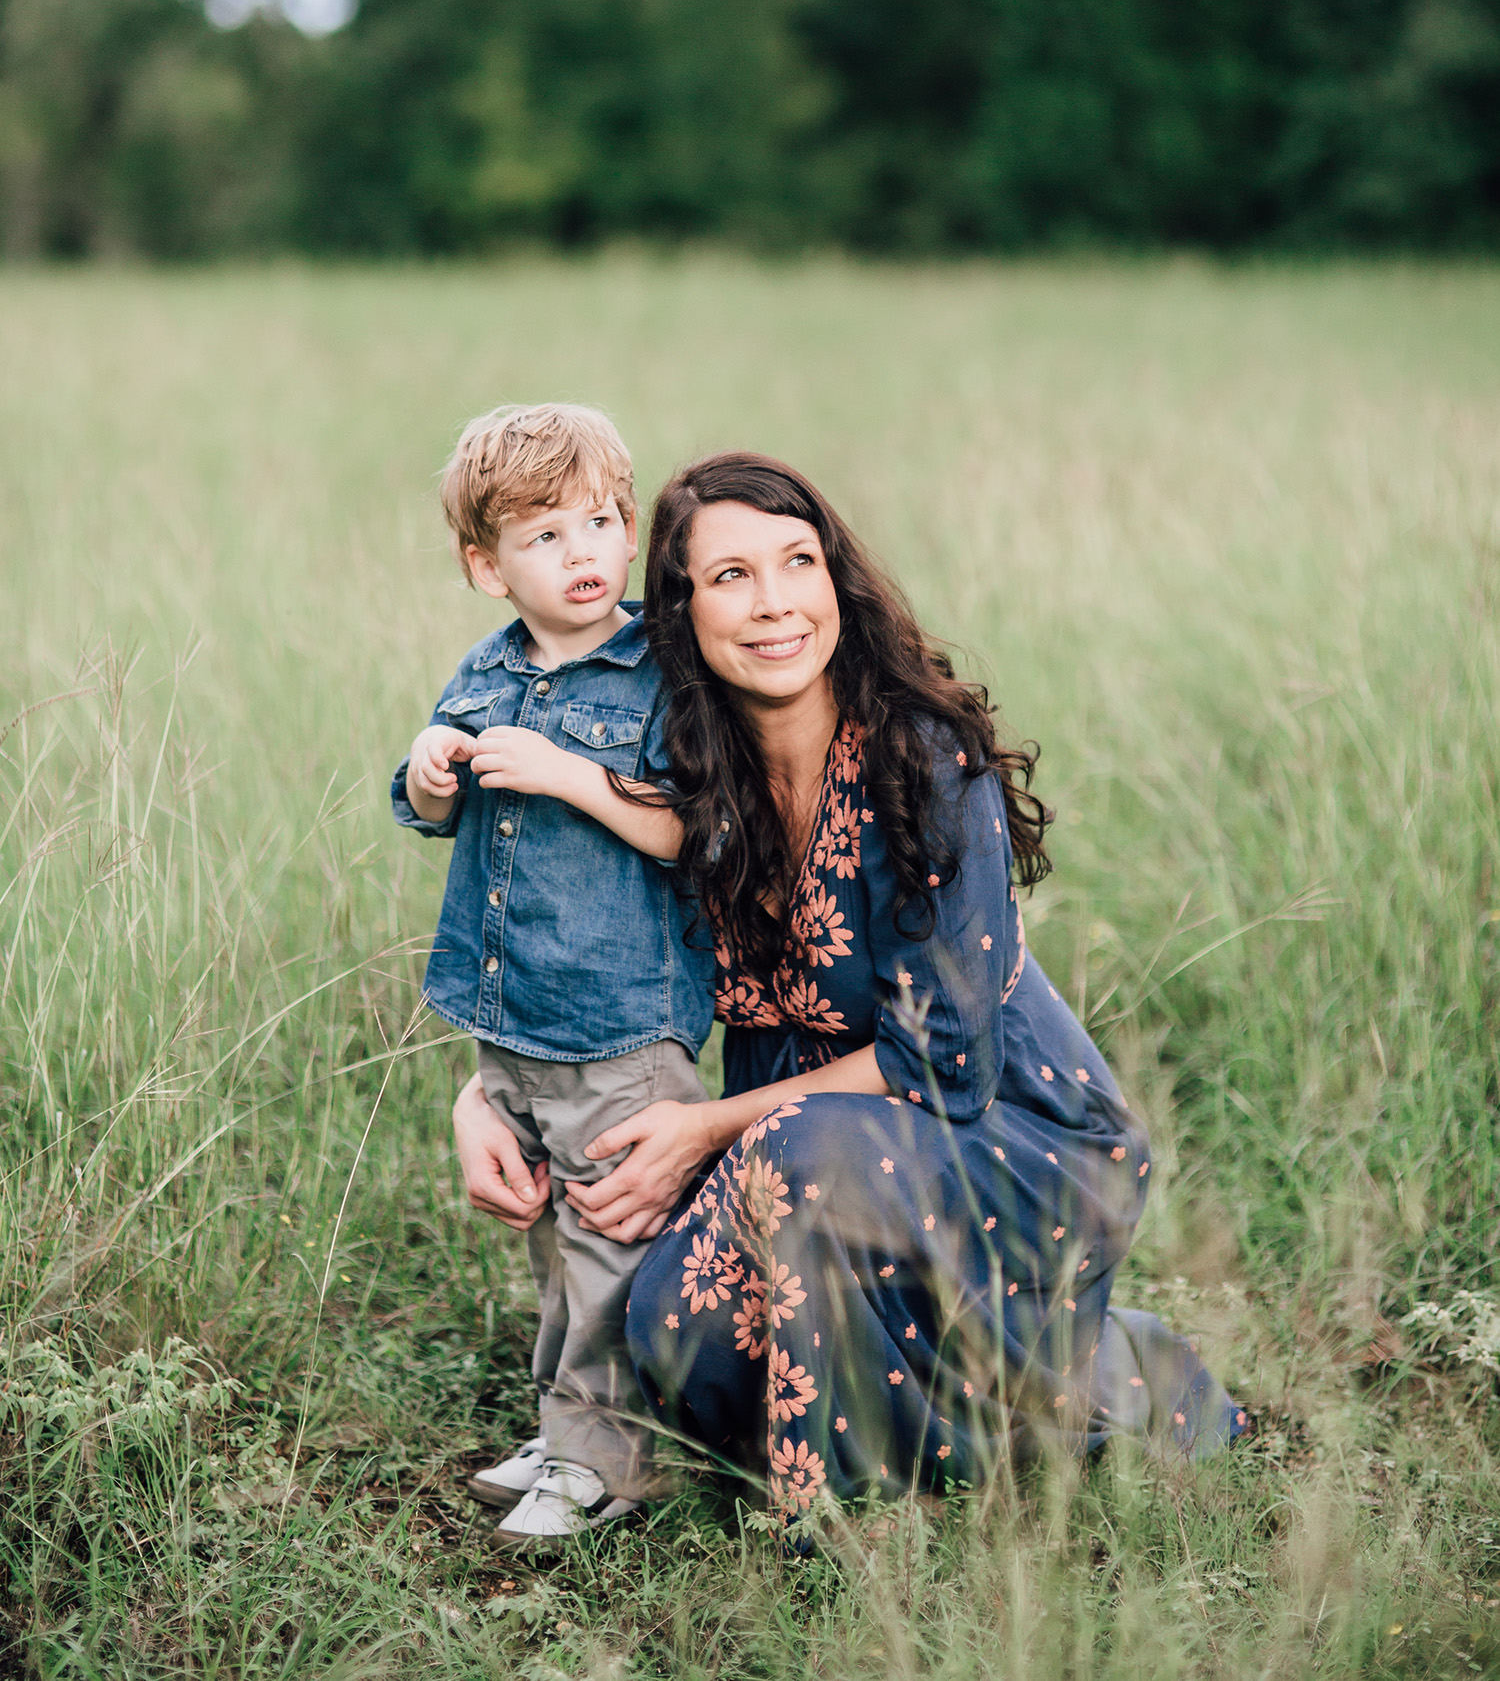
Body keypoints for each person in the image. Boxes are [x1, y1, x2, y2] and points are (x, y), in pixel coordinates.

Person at [454, 450, 1245, 1522]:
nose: (774, 603)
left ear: (838, 581)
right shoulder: (680, 770)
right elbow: (578, 953)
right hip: (795, 1158)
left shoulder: (923, 761)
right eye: (729, 577)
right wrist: (484, 1095)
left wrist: (706, 1132)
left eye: (798, 562)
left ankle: (1007, 1413)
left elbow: (947, 1059)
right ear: (677, 612)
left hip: (1003, 1137)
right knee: (675, 1340)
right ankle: (1012, 1389)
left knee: (799, 1154)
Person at [393, 402, 714, 1542]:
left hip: (622, 1025)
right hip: (515, 1013)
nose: (584, 553)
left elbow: (693, 829)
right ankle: (569, 1428)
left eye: (601, 522)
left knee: (611, 1239)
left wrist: (574, 775)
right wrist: (435, 773)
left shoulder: (661, 676)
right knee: (556, 1234)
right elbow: (429, 808)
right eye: (545, 537)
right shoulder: (489, 668)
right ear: (487, 568)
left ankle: (610, 1459)